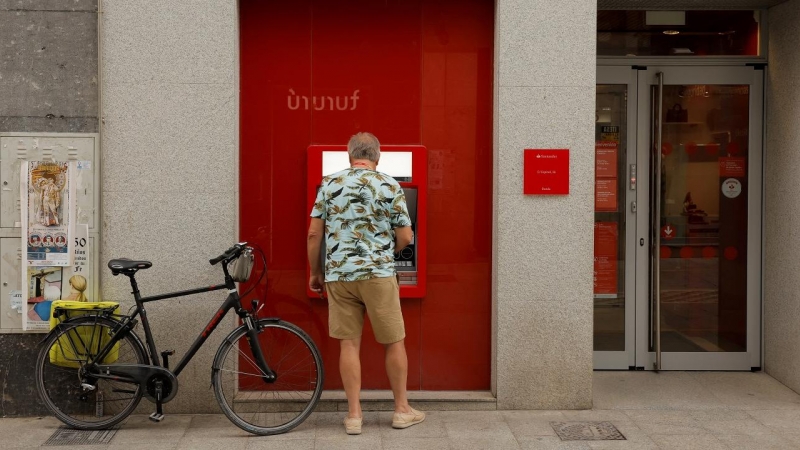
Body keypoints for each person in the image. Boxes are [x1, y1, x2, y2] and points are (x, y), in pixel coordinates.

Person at [307, 132, 424, 435]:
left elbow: (313, 234)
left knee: (349, 343)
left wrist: (315, 272)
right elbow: (407, 236)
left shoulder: (330, 184)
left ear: (349, 156)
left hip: (339, 276)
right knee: (393, 340)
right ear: (378, 156)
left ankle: (354, 416)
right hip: (378, 274)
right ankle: (401, 410)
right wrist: (389, 252)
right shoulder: (389, 184)